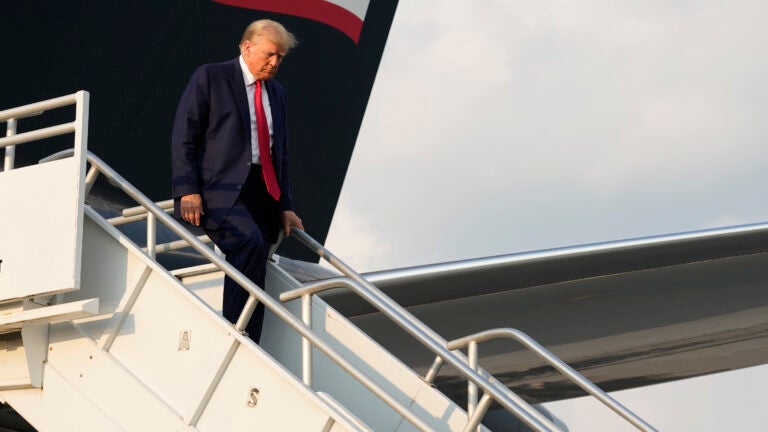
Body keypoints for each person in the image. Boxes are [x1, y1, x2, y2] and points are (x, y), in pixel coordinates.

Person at [171, 19, 304, 343]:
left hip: (263, 191)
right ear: (247, 47)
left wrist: (285, 205)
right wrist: (187, 189)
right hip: (222, 191)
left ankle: (250, 339)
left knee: (258, 260)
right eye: (270, 54)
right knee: (248, 243)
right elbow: (184, 135)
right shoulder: (212, 77)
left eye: (280, 58)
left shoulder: (278, 93)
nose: (274, 63)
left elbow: (280, 153)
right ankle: (235, 332)